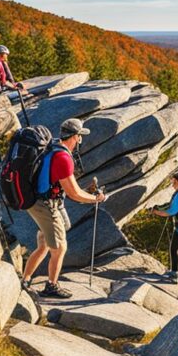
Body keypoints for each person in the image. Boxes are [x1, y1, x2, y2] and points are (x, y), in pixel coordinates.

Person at [21, 118, 107, 298]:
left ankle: (25, 280)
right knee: (60, 248)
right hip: (45, 204)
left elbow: (67, 186)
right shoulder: (62, 157)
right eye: (80, 136)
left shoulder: (53, 147)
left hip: (39, 201)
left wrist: (88, 193)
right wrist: (96, 199)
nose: (80, 140)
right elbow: (74, 193)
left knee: (44, 244)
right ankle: (51, 286)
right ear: (76, 137)